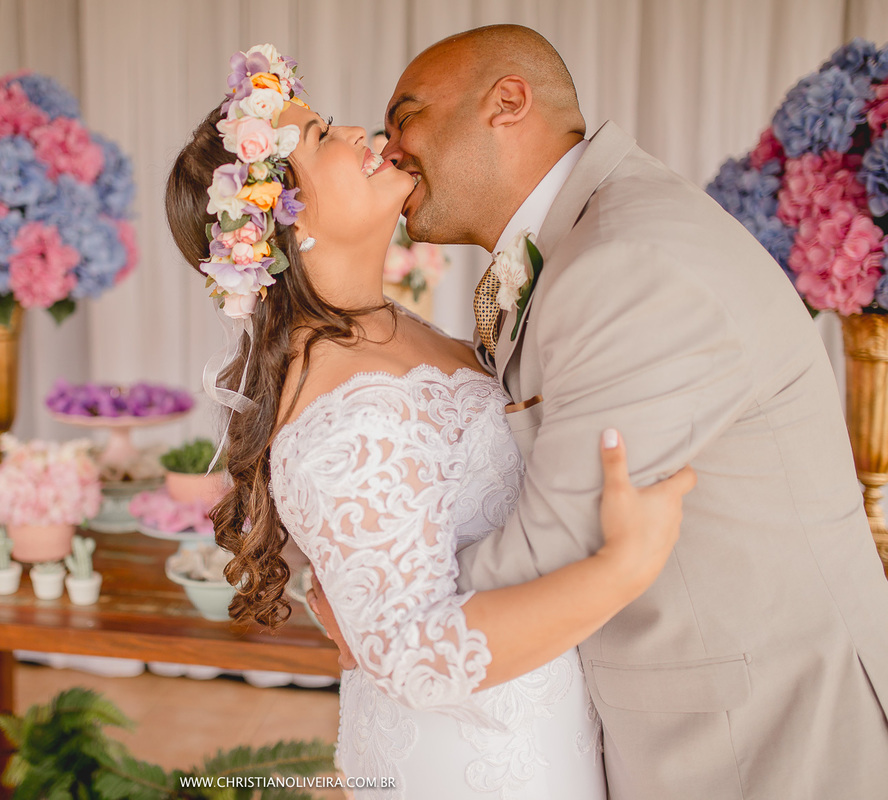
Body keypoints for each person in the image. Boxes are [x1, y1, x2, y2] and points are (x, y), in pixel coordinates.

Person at [330, 23, 888, 800]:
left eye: (406, 116)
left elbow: (553, 550)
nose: (388, 148)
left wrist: (374, 603)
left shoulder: (628, 260)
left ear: (509, 101)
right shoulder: (590, 239)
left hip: (764, 742)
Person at [165, 44, 694, 799]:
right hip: (477, 761)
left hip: (534, 717)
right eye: (322, 139)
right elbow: (416, 658)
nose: (368, 139)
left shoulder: (392, 330)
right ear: (288, 224)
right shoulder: (342, 411)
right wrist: (623, 569)